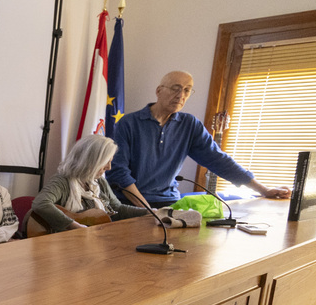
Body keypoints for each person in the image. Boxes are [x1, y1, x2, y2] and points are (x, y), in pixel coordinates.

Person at [106, 70, 290, 207]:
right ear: (159, 90)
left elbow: (219, 160)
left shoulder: (189, 124)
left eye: (187, 90)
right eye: (176, 89)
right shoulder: (128, 123)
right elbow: (118, 172)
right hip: (130, 203)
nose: (181, 95)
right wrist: (147, 211)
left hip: (170, 203)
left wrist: (264, 190)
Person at [31, 134, 151, 233]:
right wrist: (74, 226)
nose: (109, 168)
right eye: (105, 162)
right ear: (91, 161)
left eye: (110, 162)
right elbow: (40, 203)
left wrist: (148, 212)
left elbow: (116, 208)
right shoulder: (62, 181)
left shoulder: (99, 182)